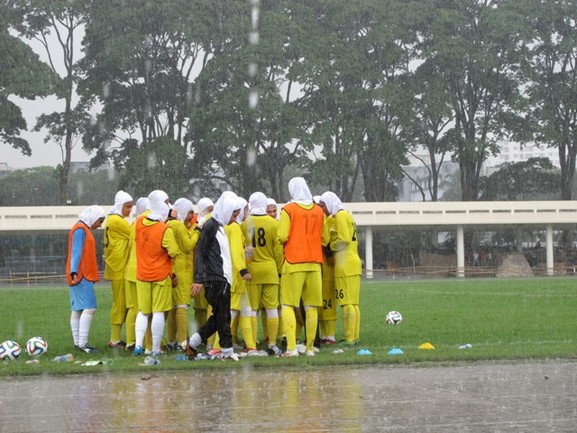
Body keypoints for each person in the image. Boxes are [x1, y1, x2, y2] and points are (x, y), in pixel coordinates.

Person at [186, 192, 241, 361]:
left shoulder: (218, 226)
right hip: (215, 279)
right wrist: (198, 278)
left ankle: (193, 343)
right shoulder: (210, 226)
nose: (234, 219)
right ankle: (227, 351)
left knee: (219, 316)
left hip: (220, 277)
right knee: (224, 316)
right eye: (233, 214)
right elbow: (200, 252)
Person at [277, 177, 325, 357]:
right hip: (314, 262)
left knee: (288, 304)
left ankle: (291, 348)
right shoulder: (319, 211)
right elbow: (324, 237)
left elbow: (282, 236)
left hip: (294, 260)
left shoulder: (288, 209)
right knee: (312, 307)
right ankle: (310, 348)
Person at [133, 190, 180, 357]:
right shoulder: (164, 229)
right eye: (166, 202)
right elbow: (174, 251)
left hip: (142, 274)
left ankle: (138, 346)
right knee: (159, 312)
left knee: (143, 312)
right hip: (160, 275)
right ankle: (154, 349)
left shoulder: (138, 223)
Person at [242, 191, 284, 355]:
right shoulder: (274, 224)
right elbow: (278, 251)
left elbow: (244, 249)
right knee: (272, 308)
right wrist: (279, 270)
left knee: (252, 309)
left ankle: (252, 344)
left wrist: (245, 265)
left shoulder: (245, 224)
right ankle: (272, 343)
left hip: (252, 270)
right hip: (270, 269)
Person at [320, 191, 362, 344]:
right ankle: (355, 338)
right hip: (354, 262)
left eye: (323, 206)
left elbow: (343, 239)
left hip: (344, 264)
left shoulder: (340, 217)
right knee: (354, 303)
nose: (323, 209)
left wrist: (330, 246)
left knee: (346, 303)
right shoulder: (348, 216)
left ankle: (350, 339)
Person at [66, 205, 106, 353]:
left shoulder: (81, 228)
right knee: (89, 308)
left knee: (77, 309)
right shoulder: (80, 230)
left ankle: (78, 344)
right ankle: (83, 344)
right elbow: (76, 251)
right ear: (93, 217)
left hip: (79, 274)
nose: (100, 225)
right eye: (100, 221)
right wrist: (74, 271)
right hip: (82, 274)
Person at [165, 198, 198, 351]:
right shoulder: (178, 225)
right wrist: (197, 233)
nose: (192, 215)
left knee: (173, 306)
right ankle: (183, 342)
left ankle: (171, 341)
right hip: (182, 269)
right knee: (182, 305)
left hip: (172, 267)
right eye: (190, 212)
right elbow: (187, 246)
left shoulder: (168, 223)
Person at [103, 190, 134, 349]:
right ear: (120, 206)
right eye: (128, 207)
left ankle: (119, 339)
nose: (130, 210)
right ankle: (115, 339)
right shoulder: (117, 220)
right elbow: (135, 234)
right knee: (120, 304)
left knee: (121, 303)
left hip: (118, 267)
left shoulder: (112, 219)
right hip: (119, 268)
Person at [124, 197, 150, 351]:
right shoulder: (148, 221)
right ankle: (147, 343)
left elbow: (129, 246)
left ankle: (130, 341)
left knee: (133, 308)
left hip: (130, 270)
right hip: (142, 270)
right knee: (145, 309)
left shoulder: (134, 223)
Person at [314, 195, 337, 345]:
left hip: (327, 266)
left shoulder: (331, 220)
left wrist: (328, 252)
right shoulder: (319, 220)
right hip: (317, 264)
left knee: (328, 301)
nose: (319, 209)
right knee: (319, 303)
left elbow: (327, 241)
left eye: (321, 206)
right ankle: (323, 335)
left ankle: (331, 335)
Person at [191, 197, 214, 331]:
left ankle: (209, 334)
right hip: (199, 269)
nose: (211, 213)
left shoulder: (212, 226)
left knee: (211, 304)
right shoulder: (196, 227)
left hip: (211, 269)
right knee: (200, 306)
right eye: (209, 210)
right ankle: (199, 332)